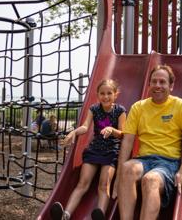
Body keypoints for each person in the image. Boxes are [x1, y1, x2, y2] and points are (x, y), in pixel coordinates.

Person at [115, 64, 182, 220]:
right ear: (149, 84)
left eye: (162, 82)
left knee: (151, 180)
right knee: (127, 169)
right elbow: (127, 142)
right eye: (154, 81)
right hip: (143, 160)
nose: (157, 85)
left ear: (171, 86)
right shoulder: (138, 107)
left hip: (168, 163)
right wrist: (119, 175)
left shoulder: (181, 106)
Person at [50, 79, 126, 220]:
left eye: (109, 93)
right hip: (95, 149)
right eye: (102, 93)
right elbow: (85, 126)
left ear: (116, 94)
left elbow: (123, 133)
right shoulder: (94, 109)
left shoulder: (120, 111)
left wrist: (111, 129)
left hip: (111, 151)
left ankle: (100, 215)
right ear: (97, 95)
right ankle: (65, 215)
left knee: (104, 185)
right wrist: (74, 132)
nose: (105, 96)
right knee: (82, 183)